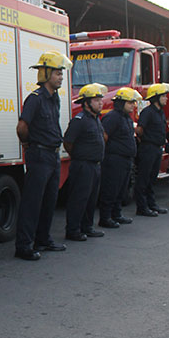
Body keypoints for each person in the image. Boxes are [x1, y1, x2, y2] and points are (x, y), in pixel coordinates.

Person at [15, 51, 72, 261]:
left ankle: (43, 239)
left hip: (52, 155)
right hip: (39, 155)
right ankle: (24, 246)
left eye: (61, 73)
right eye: (57, 73)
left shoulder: (54, 98)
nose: (61, 77)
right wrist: (28, 145)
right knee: (32, 202)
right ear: (46, 74)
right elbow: (22, 127)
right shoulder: (35, 99)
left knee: (49, 201)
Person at [63, 83, 108, 241]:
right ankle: (73, 230)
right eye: (96, 100)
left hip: (95, 165)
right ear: (86, 103)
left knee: (91, 198)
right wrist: (78, 156)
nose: (100, 103)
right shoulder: (79, 120)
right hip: (82, 165)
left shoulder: (96, 120)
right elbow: (68, 142)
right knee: (79, 198)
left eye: (101, 100)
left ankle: (87, 227)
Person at [98, 87, 142, 228]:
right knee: (111, 189)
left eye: (133, 102)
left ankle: (116, 214)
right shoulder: (112, 117)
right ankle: (105, 217)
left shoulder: (126, 118)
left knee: (121, 189)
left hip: (126, 159)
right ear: (121, 103)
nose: (133, 105)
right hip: (114, 159)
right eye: (130, 102)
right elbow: (104, 136)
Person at [134, 83, 169, 217]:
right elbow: (139, 130)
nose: (166, 98)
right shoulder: (147, 112)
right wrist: (146, 140)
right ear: (156, 98)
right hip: (148, 148)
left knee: (152, 178)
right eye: (163, 96)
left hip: (157, 149)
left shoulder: (160, 113)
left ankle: (151, 204)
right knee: (143, 178)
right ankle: (142, 207)